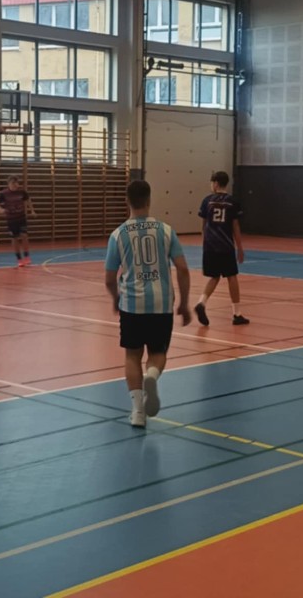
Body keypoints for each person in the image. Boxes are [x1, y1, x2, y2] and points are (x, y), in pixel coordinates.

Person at [104, 180, 191, 428]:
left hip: (132, 304)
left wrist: (115, 298)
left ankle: (138, 412)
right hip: (161, 304)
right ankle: (151, 375)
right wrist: (184, 303)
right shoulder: (166, 231)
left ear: (127, 201)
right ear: (149, 200)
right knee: (158, 353)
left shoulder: (118, 235)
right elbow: (183, 268)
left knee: (132, 355)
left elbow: (109, 278)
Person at [195, 171, 249, 326]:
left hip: (210, 246)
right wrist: (240, 248)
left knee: (214, 277)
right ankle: (237, 314)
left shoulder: (207, 201)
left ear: (216, 183)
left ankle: (201, 302)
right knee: (232, 276)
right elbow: (235, 226)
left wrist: (205, 242)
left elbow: (203, 225)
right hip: (226, 246)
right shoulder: (232, 202)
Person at [0, 175, 36, 266]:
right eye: (13, 183)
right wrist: (0, 209)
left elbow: (28, 200)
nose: (15, 185)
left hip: (21, 217)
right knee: (15, 238)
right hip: (11, 220)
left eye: (16, 183)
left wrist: (32, 210)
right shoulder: (4, 193)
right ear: (9, 184)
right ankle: (19, 259)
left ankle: (27, 256)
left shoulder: (22, 192)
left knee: (24, 235)